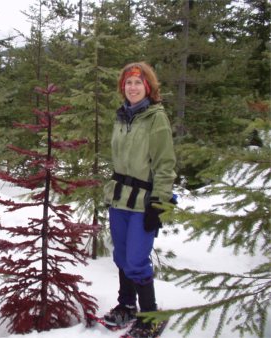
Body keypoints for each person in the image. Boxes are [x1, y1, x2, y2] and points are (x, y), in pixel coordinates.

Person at [103, 62, 176, 337]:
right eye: (128, 83)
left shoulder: (156, 118)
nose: (132, 87)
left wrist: (159, 202)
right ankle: (126, 306)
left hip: (144, 201)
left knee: (135, 260)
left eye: (138, 83)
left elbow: (165, 163)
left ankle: (150, 315)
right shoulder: (122, 115)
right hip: (120, 198)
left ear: (148, 86)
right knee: (121, 257)